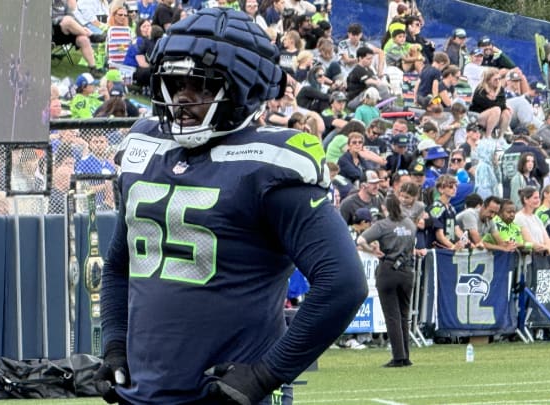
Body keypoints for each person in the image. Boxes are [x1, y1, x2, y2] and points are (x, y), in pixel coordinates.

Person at [94, 9, 368, 405]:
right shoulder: (144, 147)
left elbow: (343, 284)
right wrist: (115, 346)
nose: (181, 99)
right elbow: (121, 264)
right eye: (173, 84)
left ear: (243, 90)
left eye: (200, 86)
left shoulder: (269, 163)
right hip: (142, 393)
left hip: (226, 396)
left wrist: (264, 374)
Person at [357, 194, 417, 367]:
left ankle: (398, 356)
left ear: (385, 208)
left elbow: (361, 240)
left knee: (392, 316)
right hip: (407, 270)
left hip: (389, 269)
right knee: (404, 315)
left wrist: (372, 250)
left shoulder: (383, 225)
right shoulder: (409, 224)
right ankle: (405, 355)